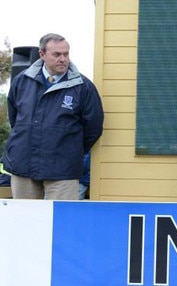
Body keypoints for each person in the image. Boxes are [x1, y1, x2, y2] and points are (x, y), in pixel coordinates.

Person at [2, 33, 104, 200]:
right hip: (23, 166)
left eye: (66, 54)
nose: (63, 59)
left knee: (62, 223)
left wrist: (70, 149)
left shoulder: (83, 87)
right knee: (27, 221)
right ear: (42, 54)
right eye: (57, 54)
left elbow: (93, 128)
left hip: (63, 171)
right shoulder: (22, 81)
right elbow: (15, 119)